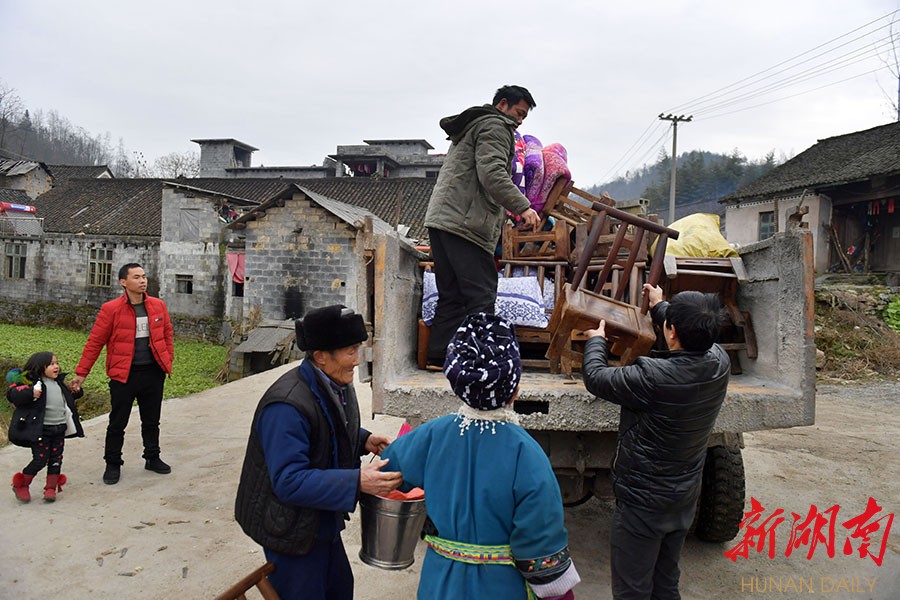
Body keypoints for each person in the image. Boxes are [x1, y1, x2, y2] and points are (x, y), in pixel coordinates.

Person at [382, 313, 580, 600]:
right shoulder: (528, 456)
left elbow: (388, 474)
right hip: (500, 588)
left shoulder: (430, 436)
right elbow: (541, 544)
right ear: (514, 389)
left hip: (439, 587)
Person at [234, 305, 402, 600]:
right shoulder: (286, 407)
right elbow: (288, 480)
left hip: (319, 520)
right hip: (288, 528)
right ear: (321, 356)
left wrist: (363, 440)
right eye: (350, 351)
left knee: (339, 589)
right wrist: (356, 481)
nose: (356, 360)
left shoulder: (334, 380)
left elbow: (328, 428)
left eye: (358, 349)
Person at [581, 285, 731, 600]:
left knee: (632, 589)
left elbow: (596, 377)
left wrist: (596, 341)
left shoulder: (652, 377)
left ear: (671, 333)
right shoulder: (719, 362)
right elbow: (686, 331)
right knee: (665, 582)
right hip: (683, 496)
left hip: (642, 503)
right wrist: (660, 305)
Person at [424, 84, 542, 368]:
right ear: (503, 104)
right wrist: (523, 206)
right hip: (466, 224)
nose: (520, 121)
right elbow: (492, 174)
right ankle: (481, 363)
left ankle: (439, 358)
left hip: (442, 220)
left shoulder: (473, 126)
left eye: (524, 116)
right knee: (482, 295)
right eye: (518, 112)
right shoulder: (496, 127)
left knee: (451, 295)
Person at [69, 263, 174, 485]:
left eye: (144, 276)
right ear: (123, 282)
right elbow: (95, 342)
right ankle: (113, 463)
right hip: (124, 376)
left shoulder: (158, 306)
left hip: (153, 373)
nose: (143, 281)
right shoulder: (111, 309)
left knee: (151, 420)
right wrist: (81, 373)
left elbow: (167, 335)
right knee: (117, 422)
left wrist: (167, 361)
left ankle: (152, 457)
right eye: (136, 277)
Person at [8, 352, 84, 503]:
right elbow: (13, 395)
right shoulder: (32, 384)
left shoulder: (59, 384)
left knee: (56, 459)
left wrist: (76, 390)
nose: (56, 366)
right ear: (39, 367)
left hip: (59, 428)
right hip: (41, 430)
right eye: (51, 364)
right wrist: (31, 393)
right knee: (40, 459)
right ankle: (22, 484)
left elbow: (69, 398)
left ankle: (50, 488)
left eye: (57, 363)